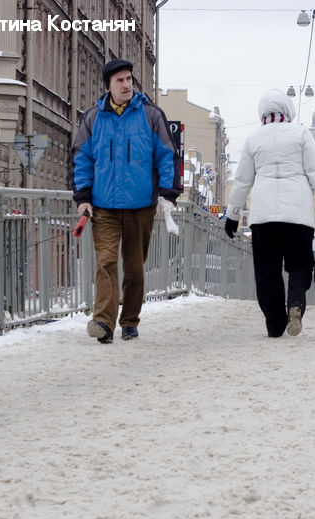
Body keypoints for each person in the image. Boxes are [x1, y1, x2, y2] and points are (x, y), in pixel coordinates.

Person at [71, 59, 182, 343]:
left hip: (140, 205)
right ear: (108, 85)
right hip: (104, 205)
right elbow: (82, 159)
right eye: (120, 80)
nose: (126, 84)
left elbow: (167, 156)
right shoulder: (94, 117)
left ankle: (130, 319)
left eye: (129, 79)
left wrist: (168, 194)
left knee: (134, 266)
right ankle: (103, 322)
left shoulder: (150, 115)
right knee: (106, 261)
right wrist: (83, 198)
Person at [224, 89, 315, 337]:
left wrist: (232, 216)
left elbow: (242, 181)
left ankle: (275, 324)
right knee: (299, 265)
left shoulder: (253, 139)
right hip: (298, 215)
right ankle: (295, 303)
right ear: (288, 111)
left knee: (267, 270)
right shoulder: (301, 134)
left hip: (264, 217)